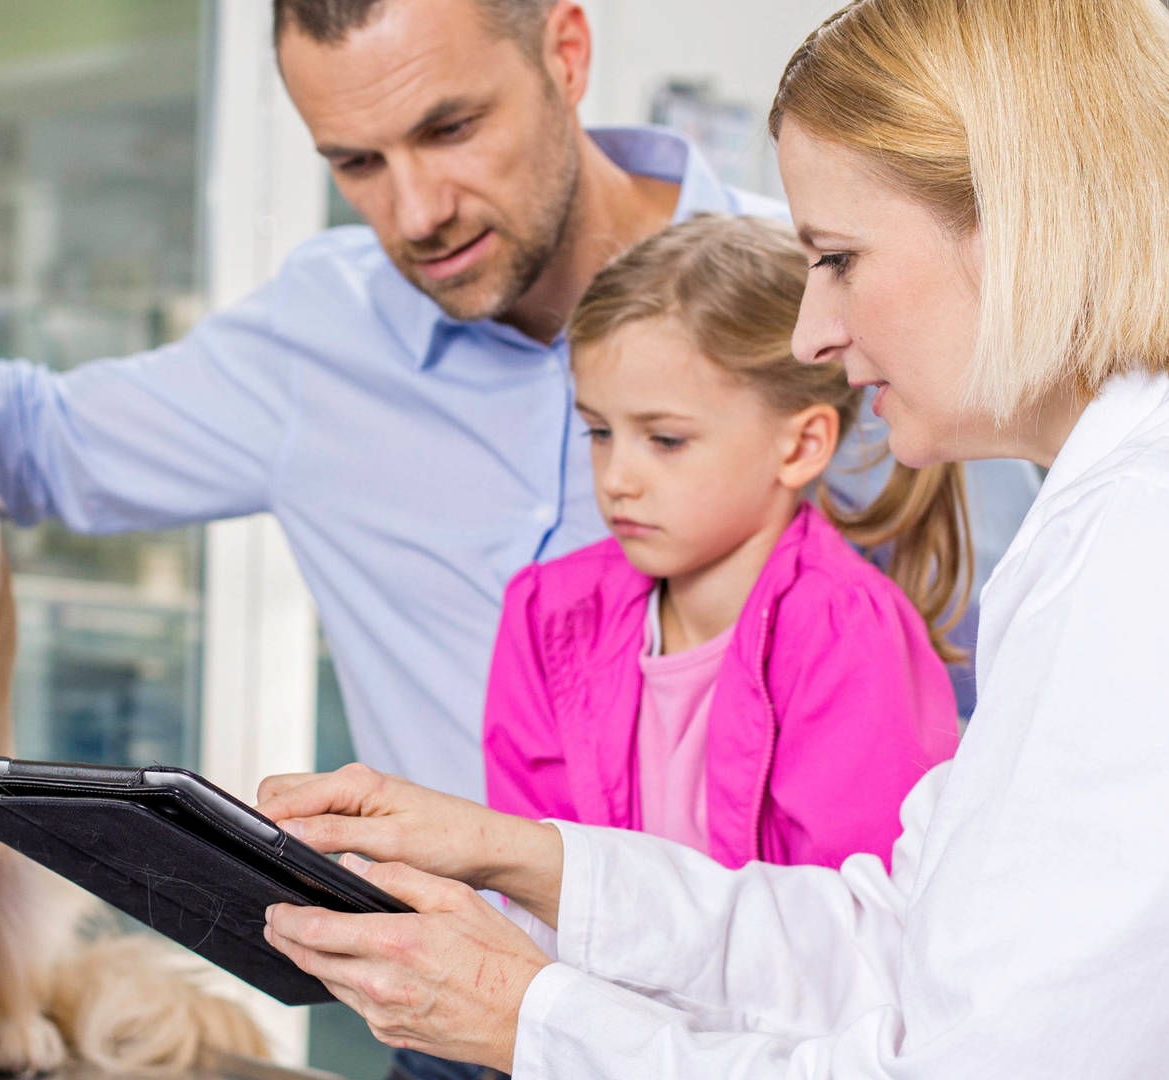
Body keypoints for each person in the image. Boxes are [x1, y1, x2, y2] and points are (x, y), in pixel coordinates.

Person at [253, 0, 1169, 1074]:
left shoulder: (1133, 563)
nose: (812, 333)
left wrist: (534, 1023)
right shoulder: (1101, 528)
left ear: (1021, 218)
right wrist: (522, 855)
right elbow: (899, 944)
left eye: (835, 257)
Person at [486, 214, 961, 872]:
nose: (617, 478)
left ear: (799, 445)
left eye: (666, 440)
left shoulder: (849, 634)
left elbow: (855, 927)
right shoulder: (548, 613)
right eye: (599, 432)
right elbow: (529, 876)